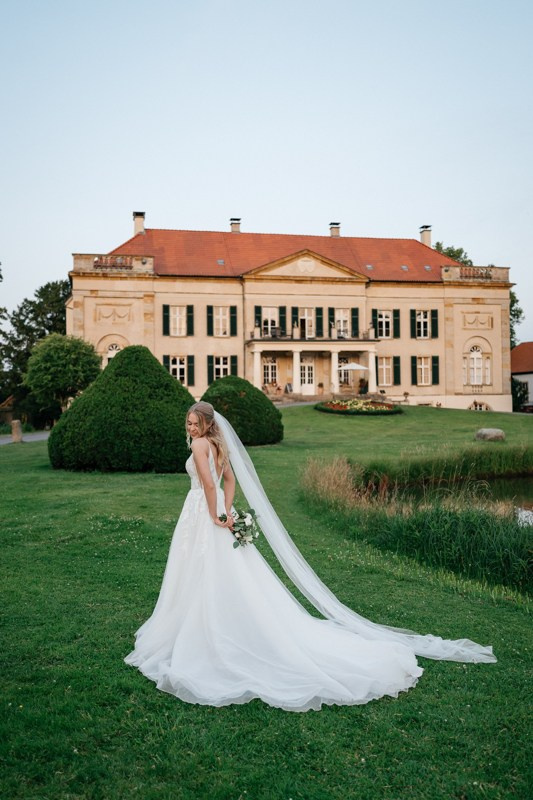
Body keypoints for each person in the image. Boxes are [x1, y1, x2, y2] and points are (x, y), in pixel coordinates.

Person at [125, 401, 495, 712]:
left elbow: (210, 483)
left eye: (195, 423)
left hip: (203, 511)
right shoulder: (217, 445)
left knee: (203, 567)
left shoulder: (199, 446)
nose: (190, 428)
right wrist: (227, 507)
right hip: (218, 509)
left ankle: (204, 629)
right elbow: (229, 482)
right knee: (222, 569)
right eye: (188, 423)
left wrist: (215, 513)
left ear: (206, 424)